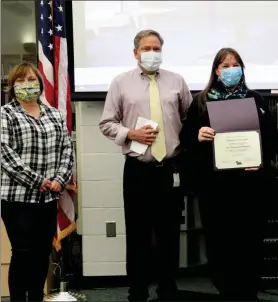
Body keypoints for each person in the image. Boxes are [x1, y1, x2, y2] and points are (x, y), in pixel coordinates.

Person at [99, 29, 193, 301]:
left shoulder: (177, 81)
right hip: (138, 170)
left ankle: (167, 289)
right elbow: (106, 123)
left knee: (170, 233)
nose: (152, 53)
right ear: (136, 52)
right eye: (146, 48)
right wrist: (131, 134)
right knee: (138, 234)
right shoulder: (120, 83)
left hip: (171, 169)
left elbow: (188, 119)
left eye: (156, 48)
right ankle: (137, 291)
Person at [180, 47, 278, 301]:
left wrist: (259, 160)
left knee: (250, 240)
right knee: (220, 242)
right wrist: (197, 135)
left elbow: (272, 138)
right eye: (225, 65)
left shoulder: (256, 100)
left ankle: (249, 292)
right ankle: (227, 291)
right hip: (216, 188)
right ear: (216, 70)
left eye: (235, 65)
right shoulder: (201, 101)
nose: (231, 70)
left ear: (242, 69)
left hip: (250, 186)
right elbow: (186, 140)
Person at [1, 62, 74, 302]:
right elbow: (5, 153)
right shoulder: (6, 114)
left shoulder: (54, 113)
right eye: (20, 81)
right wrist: (38, 180)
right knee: (23, 254)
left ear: (40, 83)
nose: (27, 84)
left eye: (32, 79)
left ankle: (36, 298)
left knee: (43, 254)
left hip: (48, 197)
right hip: (17, 198)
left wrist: (60, 180)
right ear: (12, 86)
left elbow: (66, 149)